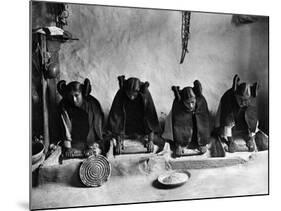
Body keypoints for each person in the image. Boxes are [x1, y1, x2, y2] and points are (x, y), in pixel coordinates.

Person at [107, 75, 162, 154]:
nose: (131, 97)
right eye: (129, 94)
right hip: (125, 129)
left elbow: (150, 119)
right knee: (108, 143)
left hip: (141, 129)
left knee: (160, 143)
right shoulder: (121, 94)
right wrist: (118, 141)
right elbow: (117, 118)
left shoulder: (145, 95)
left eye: (134, 94)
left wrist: (150, 141)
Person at [57, 78, 104, 158]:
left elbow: (96, 127)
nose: (74, 100)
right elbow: (65, 127)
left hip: (92, 141)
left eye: (76, 95)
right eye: (70, 96)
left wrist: (91, 146)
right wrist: (68, 147)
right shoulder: (64, 105)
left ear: (82, 93)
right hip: (74, 142)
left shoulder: (93, 105)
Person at [162, 80, 210, 157]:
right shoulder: (178, 105)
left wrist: (203, 143)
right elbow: (177, 127)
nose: (191, 106)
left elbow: (204, 123)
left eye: (192, 102)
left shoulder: (201, 102)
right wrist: (178, 145)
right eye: (187, 103)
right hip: (183, 132)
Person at [215, 74, 259, 153]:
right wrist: (230, 141)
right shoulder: (228, 99)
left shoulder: (251, 102)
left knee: (249, 119)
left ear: (250, 98)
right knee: (222, 126)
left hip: (243, 114)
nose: (242, 102)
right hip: (230, 111)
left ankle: (247, 134)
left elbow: (253, 121)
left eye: (245, 100)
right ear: (235, 95)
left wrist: (251, 139)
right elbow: (227, 123)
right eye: (240, 99)